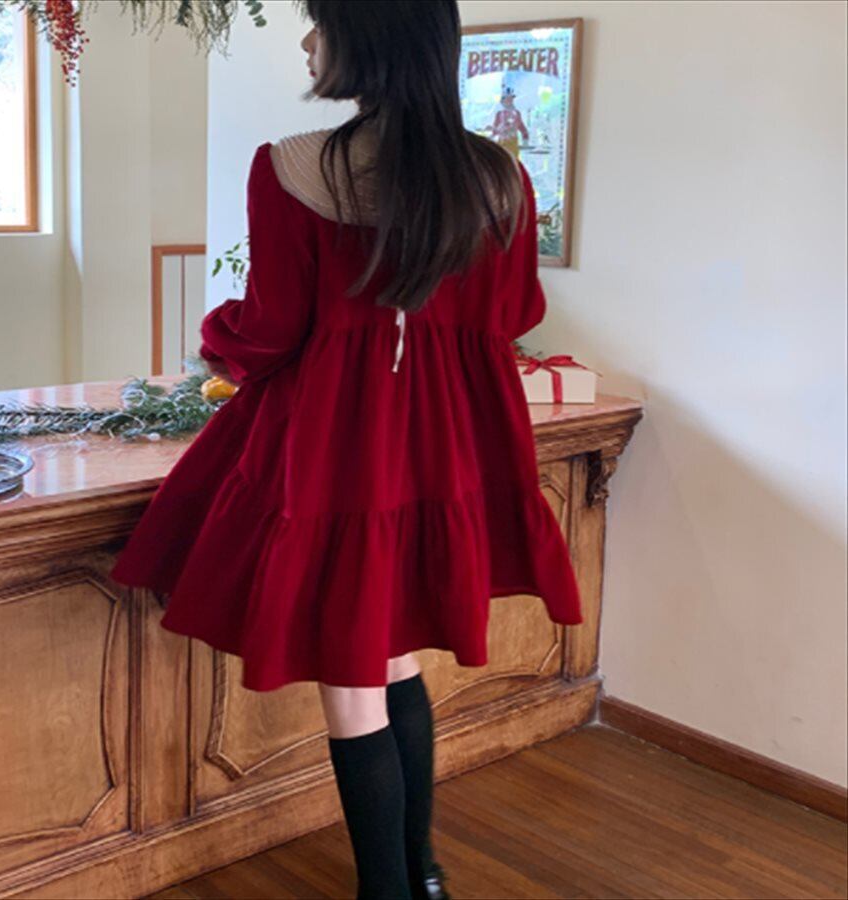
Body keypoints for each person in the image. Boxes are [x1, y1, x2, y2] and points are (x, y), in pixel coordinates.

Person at [109, 1, 583, 898]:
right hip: (446, 447)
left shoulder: (294, 167)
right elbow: (517, 312)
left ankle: (389, 890)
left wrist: (216, 337)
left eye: (319, 22)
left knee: (354, 682)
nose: (306, 40)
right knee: (392, 657)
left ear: (367, 40)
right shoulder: (499, 176)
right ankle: (419, 875)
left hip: (338, 446)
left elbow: (272, 326)